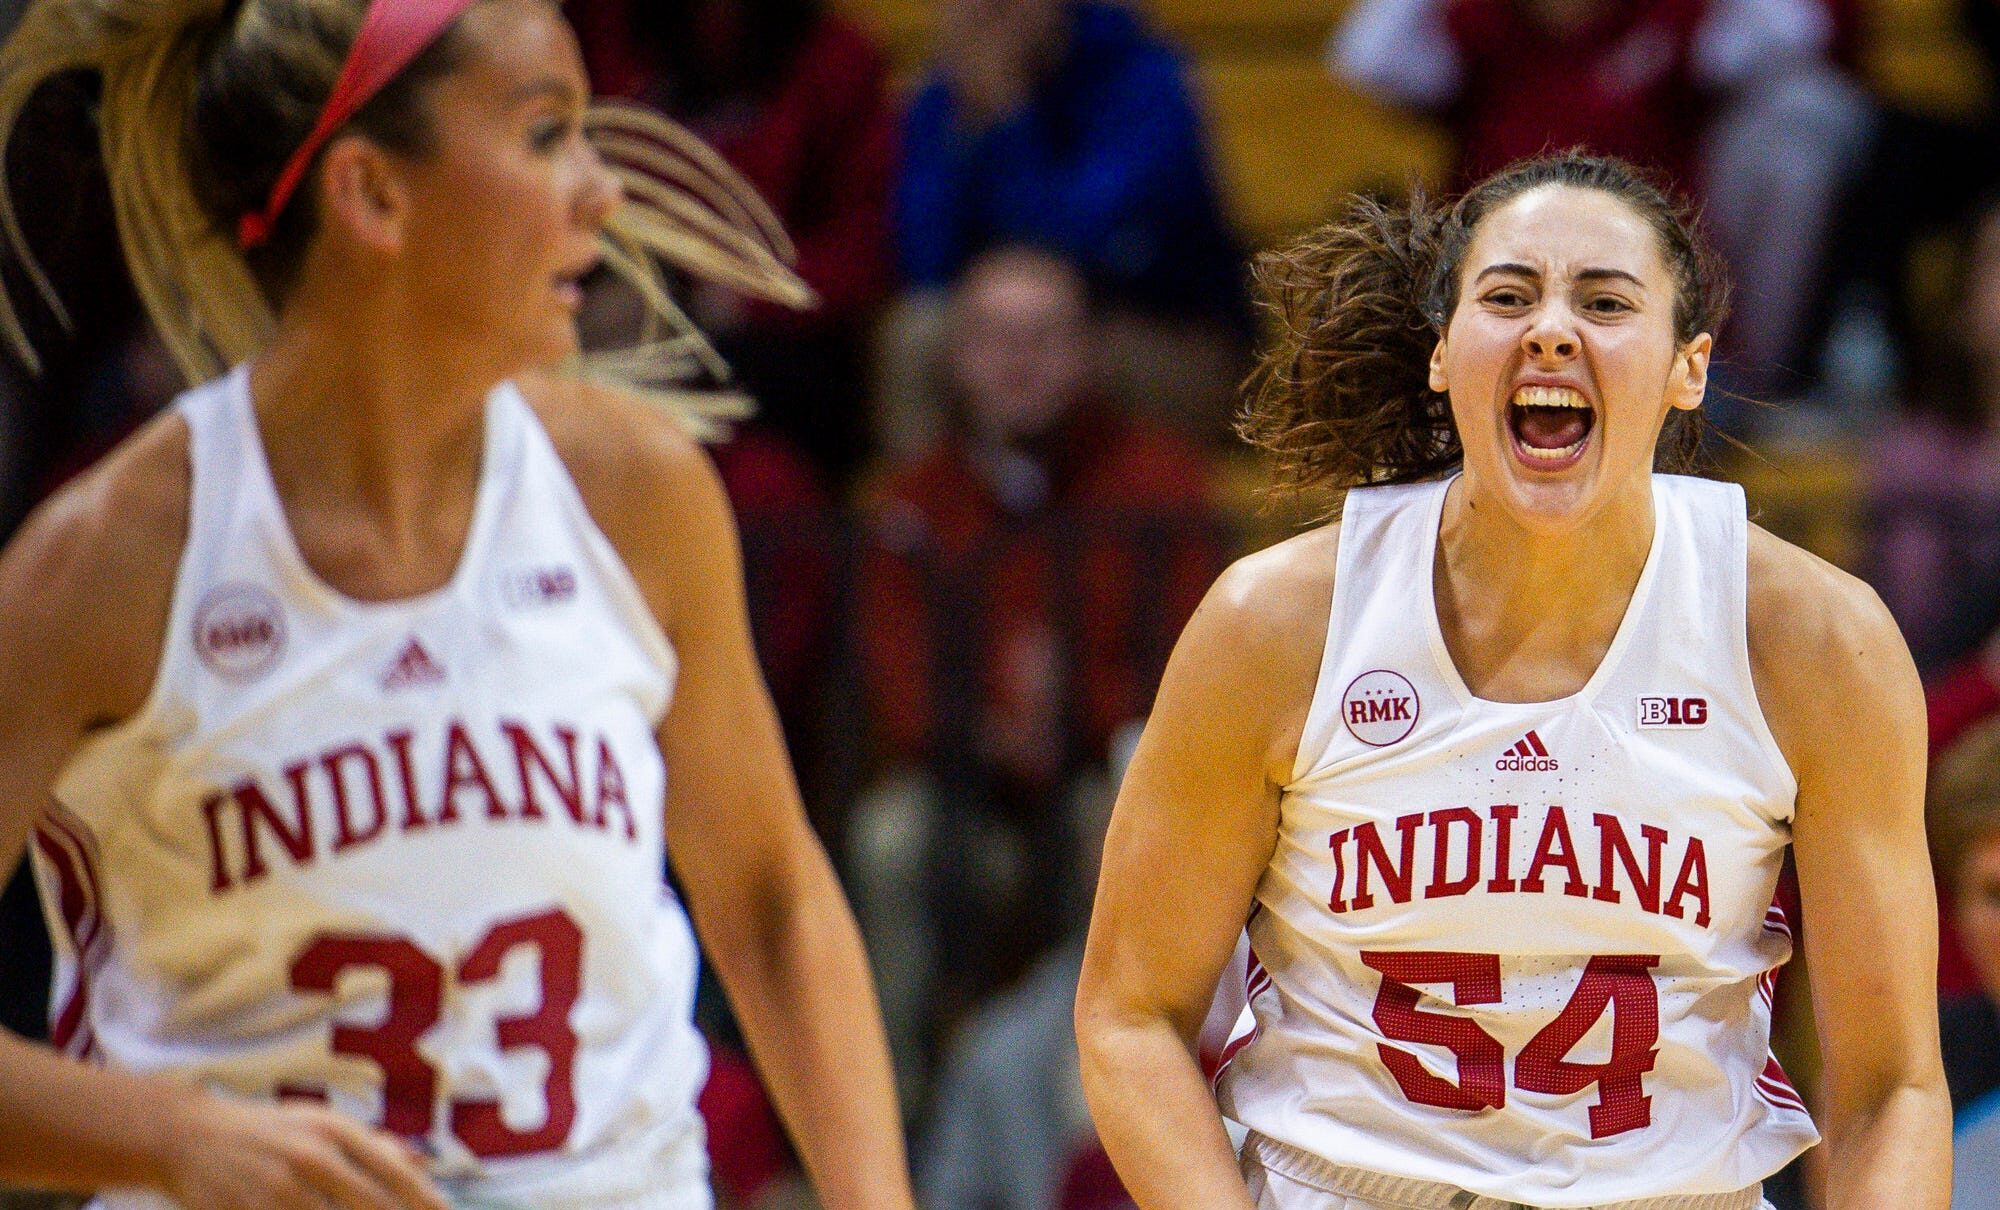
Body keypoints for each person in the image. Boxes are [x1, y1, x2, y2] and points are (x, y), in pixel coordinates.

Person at [0, 1, 915, 1209]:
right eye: (546, 135)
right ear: (372, 196)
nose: (600, 190)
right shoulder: (117, 558)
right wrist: (167, 1139)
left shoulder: (633, 492)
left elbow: (769, 901)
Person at [1074, 151, 1949, 1208]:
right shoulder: (1276, 624)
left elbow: (1888, 1085)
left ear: (1688, 368)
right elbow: (1130, 1014)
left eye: (1604, 300)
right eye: (1506, 295)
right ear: (1443, 354)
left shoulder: (1812, 639)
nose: (1549, 328)